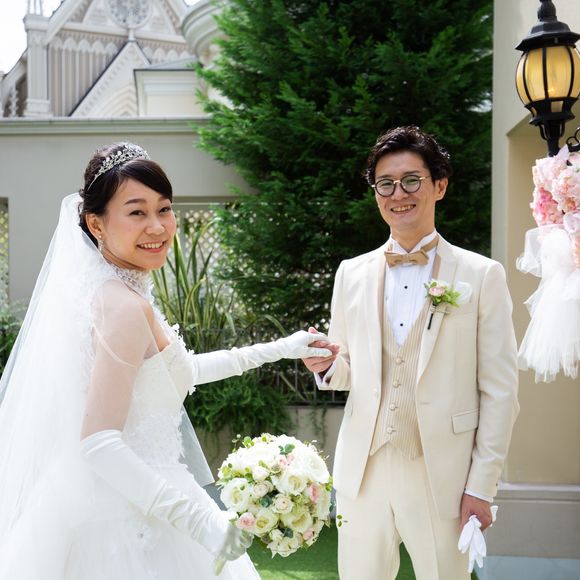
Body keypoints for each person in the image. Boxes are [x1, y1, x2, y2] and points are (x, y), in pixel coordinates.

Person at [0, 142, 334, 580]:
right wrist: (201, 523)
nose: (157, 226)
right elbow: (98, 442)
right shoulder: (122, 306)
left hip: (124, 499)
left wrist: (282, 348)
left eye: (164, 209)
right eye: (136, 212)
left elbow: (179, 371)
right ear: (96, 223)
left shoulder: (113, 291)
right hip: (131, 519)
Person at [303, 126, 519, 579]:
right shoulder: (350, 274)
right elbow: (349, 370)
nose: (397, 194)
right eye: (385, 183)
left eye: (411, 180)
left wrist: (482, 486)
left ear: (439, 186)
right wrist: (326, 366)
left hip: (444, 474)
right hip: (364, 470)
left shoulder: (482, 275)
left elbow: (500, 393)